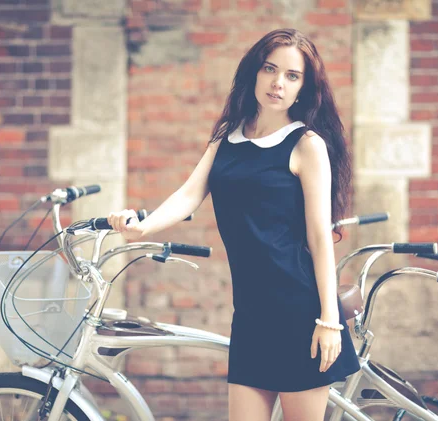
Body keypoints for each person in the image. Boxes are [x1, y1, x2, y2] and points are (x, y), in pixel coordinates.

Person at [107, 28, 360, 421]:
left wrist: (329, 320)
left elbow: (318, 238)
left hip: (300, 310)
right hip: (252, 313)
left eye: (292, 76)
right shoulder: (228, 135)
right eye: (270, 69)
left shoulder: (306, 145)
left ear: (303, 90)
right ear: (254, 73)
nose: (278, 83)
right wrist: (142, 227)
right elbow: (190, 193)